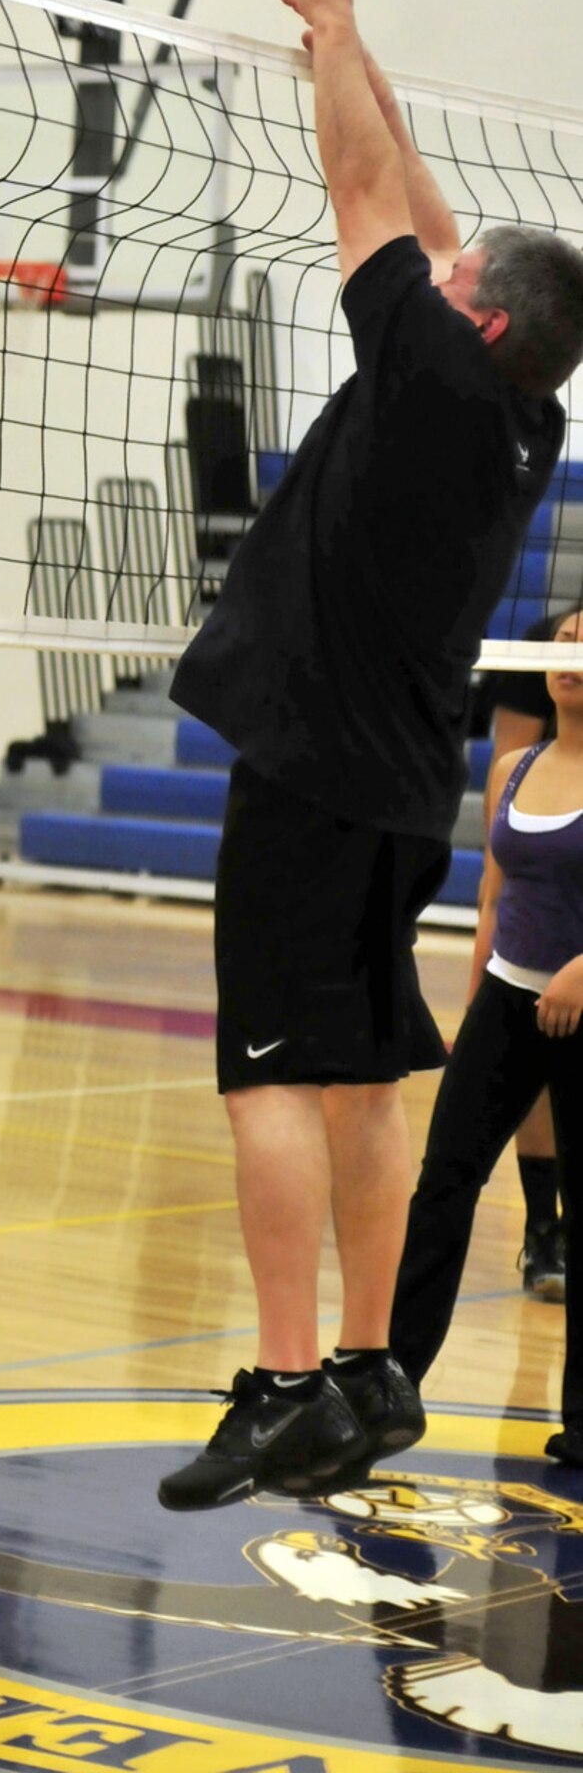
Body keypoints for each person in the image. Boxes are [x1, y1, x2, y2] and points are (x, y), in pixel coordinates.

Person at [157, 0, 583, 1512]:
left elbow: (356, 192)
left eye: (455, 270)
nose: (436, 254)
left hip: (318, 775)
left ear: (467, 318)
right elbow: (409, 190)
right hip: (397, 787)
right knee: (353, 1082)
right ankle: (365, 1368)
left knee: (265, 1078)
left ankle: (272, 1388)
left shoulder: (423, 368)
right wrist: (346, 48)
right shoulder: (515, 410)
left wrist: (331, 13)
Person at [389, 606, 583, 1468]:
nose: (571, 654)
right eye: (565, 639)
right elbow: (493, 905)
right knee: (442, 1185)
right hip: (507, 1004)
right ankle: (390, 1383)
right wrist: (474, 1004)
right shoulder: (513, 764)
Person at [479, 612, 567, 1301]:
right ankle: (543, 1231)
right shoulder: (539, 636)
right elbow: (506, 801)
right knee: (527, 1075)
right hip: (532, 923)